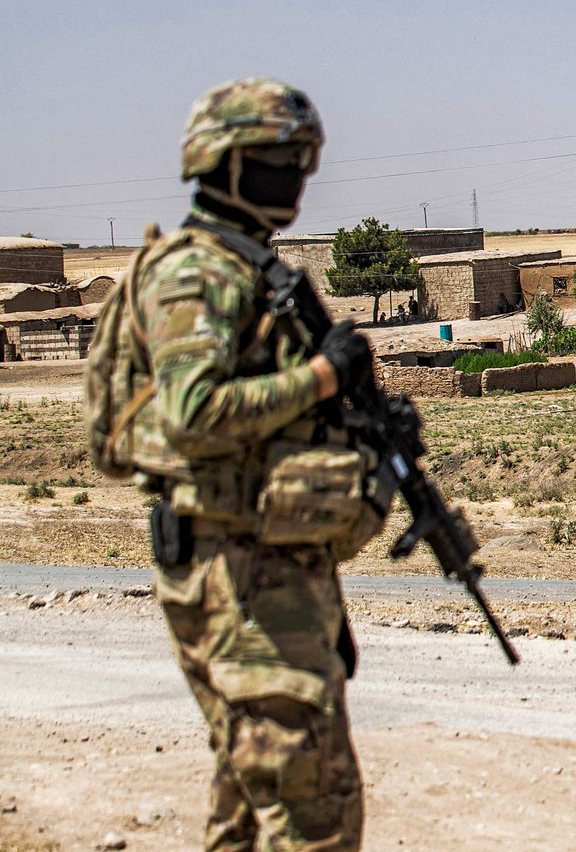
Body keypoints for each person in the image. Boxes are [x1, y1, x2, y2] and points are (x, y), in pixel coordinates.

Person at [95, 79, 377, 849]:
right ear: (222, 164)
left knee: (251, 804)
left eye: (301, 161)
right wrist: (323, 375)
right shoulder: (199, 272)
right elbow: (195, 412)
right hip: (237, 574)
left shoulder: (247, 268)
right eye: (277, 159)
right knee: (313, 812)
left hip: (264, 564)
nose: (294, 177)